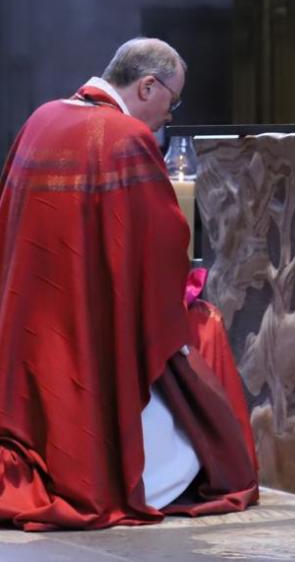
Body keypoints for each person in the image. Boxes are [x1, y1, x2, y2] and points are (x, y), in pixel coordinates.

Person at [0, 38, 258, 531]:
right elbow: (162, 246)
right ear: (147, 85)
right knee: (202, 327)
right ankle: (186, 471)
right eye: (172, 101)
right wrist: (183, 291)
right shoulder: (123, 138)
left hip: (29, 327)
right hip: (91, 330)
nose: (170, 116)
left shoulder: (42, 119)